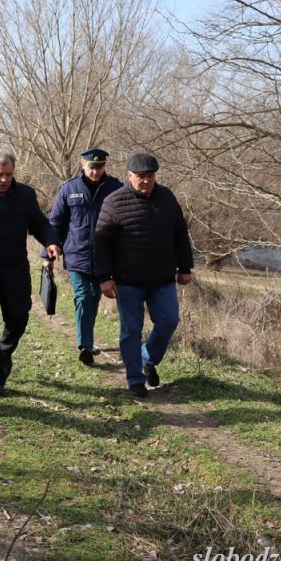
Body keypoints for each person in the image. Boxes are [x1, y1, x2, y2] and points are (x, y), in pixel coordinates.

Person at [94, 152, 193, 397]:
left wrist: (185, 267)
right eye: (140, 177)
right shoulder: (114, 202)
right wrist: (104, 277)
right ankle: (135, 379)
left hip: (162, 278)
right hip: (128, 281)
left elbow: (180, 234)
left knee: (170, 321)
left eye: (150, 176)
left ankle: (147, 358)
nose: (146, 181)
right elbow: (101, 243)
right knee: (131, 330)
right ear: (129, 176)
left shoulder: (167, 198)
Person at [0, 151, 61, 397]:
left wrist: (50, 241)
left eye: (8, 174)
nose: (4, 179)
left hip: (15, 269)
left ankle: (2, 355)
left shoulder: (25, 195)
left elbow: (39, 223)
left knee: (18, 321)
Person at [42, 148, 123, 366]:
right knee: (85, 297)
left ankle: (125, 343)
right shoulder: (69, 189)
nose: (95, 171)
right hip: (77, 256)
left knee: (97, 297)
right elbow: (56, 222)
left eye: (99, 167)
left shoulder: (116, 188)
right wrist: (47, 253)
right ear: (82, 165)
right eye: (91, 167)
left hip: (108, 258)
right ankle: (85, 345)